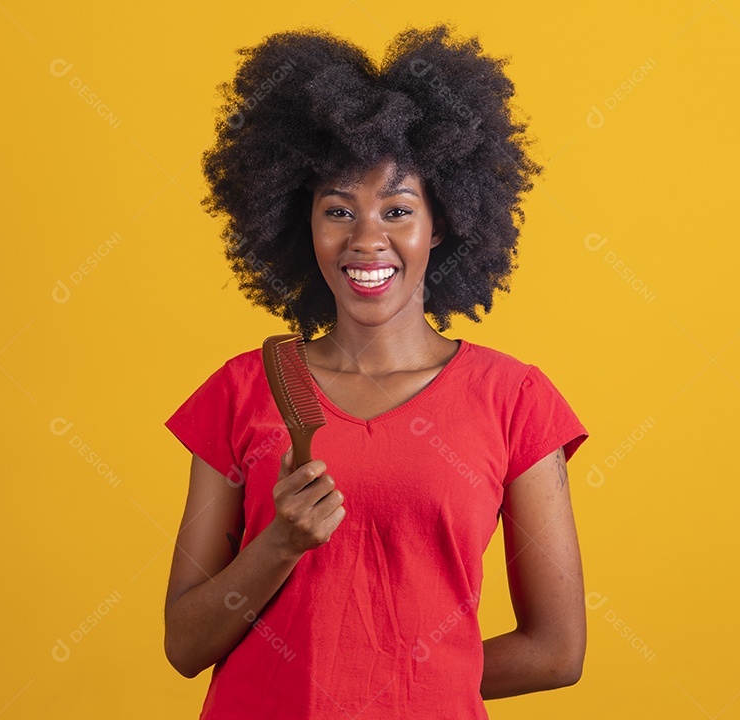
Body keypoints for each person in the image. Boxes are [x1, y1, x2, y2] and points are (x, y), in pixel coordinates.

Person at [162, 23, 589, 719]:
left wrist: (384, 685)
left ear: (442, 222)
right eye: (338, 210)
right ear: (301, 221)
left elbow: (556, 651)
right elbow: (185, 644)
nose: (366, 239)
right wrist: (278, 544)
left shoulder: (515, 401)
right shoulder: (243, 391)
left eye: (397, 209)